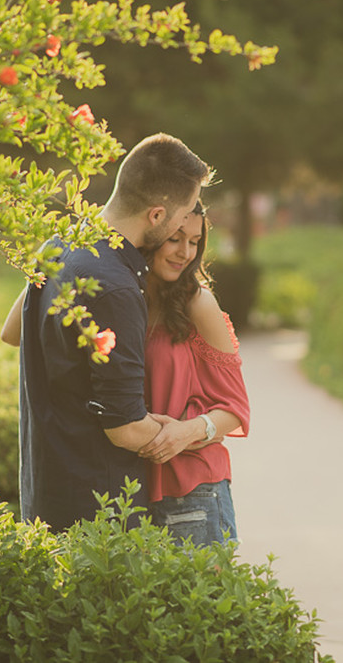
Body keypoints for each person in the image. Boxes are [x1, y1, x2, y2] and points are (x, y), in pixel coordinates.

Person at [0, 133, 212, 532]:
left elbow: (13, 332)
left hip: (44, 499)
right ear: (156, 215)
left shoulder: (58, 247)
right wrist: (181, 431)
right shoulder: (114, 285)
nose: (183, 225)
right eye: (181, 214)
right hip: (100, 520)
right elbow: (126, 428)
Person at [136, 203, 250, 546]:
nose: (185, 252)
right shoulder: (125, 298)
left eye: (194, 242)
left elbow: (236, 408)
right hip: (130, 491)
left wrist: (185, 433)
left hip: (193, 490)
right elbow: (12, 334)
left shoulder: (198, 305)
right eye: (175, 238)